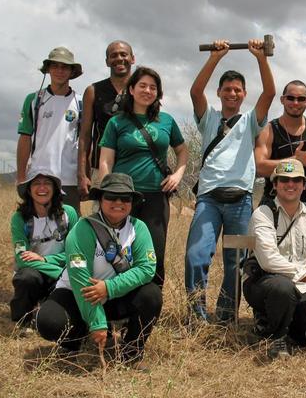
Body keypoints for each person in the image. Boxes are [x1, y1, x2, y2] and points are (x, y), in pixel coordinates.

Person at [185, 39, 275, 324]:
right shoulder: (208, 119)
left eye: (237, 90)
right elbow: (195, 91)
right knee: (196, 255)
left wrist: (261, 57)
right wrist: (215, 57)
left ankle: (226, 316)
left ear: (244, 94)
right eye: (227, 89)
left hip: (241, 201)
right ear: (219, 93)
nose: (232, 93)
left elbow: (271, 92)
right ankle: (196, 316)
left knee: (236, 262)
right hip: (209, 199)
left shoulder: (251, 121)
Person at [36, 173, 162, 366]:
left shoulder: (139, 228)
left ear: (132, 202)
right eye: (111, 196)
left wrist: (109, 288)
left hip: (113, 294)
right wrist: (97, 323)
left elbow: (146, 269)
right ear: (100, 199)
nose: (118, 202)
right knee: (49, 322)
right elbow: (80, 282)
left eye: (125, 198)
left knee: (152, 294)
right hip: (77, 294)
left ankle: (131, 352)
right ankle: (73, 341)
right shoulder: (81, 230)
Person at [99, 66, 188, 287]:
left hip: (156, 196)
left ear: (158, 93)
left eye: (153, 87)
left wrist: (178, 174)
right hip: (123, 196)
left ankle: (150, 303)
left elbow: (182, 151)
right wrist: (107, 192)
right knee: (116, 252)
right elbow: (105, 161)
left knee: (154, 254)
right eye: (142, 86)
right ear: (131, 89)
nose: (147, 90)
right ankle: (116, 301)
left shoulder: (166, 120)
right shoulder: (116, 122)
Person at [243, 159, 306, 359]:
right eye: (284, 180)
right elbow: (269, 260)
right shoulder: (263, 214)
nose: (290, 185)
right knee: (282, 287)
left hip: (301, 289)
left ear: (304, 185)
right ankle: (275, 335)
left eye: (296, 180)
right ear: (275, 184)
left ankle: (285, 323)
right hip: (264, 282)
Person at [16, 46, 83, 213]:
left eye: (65, 66)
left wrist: (84, 175)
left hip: (69, 178)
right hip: (39, 177)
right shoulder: (34, 100)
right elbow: (25, 137)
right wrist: (21, 176)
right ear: (48, 69)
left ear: (72, 71)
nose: (60, 71)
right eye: (55, 66)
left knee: (71, 226)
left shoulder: (81, 102)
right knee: (37, 228)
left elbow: (84, 141)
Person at [10, 169, 78, 332]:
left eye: (47, 183)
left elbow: (76, 252)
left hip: (60, 268)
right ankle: (22, 321)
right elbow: (22, 258)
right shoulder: (20, 219)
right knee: (25, 278)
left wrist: (46, 260)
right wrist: (58, 272)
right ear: (29, 190)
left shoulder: (69, 213)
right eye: (36, 183)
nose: (42, 188)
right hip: (38, 271)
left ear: (55, 189)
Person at [78, 40, 135, 199]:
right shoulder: (93, 91)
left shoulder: (142, 89)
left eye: (124, 54)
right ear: (107, 61)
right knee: (103, 217)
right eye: (113, 55)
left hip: (135, 166)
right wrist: (82, 173)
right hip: (102, 167)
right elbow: (85, 135)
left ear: (132, 58)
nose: (119, 59)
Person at [255, 80, 306, 205]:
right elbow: (259, 167)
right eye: (290, 98)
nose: (295, 103)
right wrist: (295, 160)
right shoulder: (269, 129)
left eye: (301, 99)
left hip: (303, 205)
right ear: (282, 99)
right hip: (272, 204)